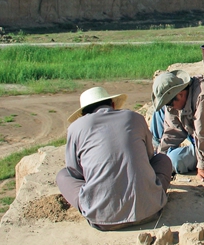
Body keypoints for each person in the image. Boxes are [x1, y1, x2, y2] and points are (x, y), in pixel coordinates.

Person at [56, 87, 171, 231]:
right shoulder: (134, 117)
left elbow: (75, 171)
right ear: (113, 105)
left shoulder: (76, 127)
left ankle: (95, 203)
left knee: (63, 175)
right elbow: (149, 157)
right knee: (163, 160)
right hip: (151, 211)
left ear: (84, 114)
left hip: (101, 219)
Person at [152, 69, 204, 183]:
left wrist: (202, 167)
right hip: (195, 135)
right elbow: (173, 131)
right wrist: (159, 158)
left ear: (181, 94)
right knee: (158, 112)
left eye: (170, 104)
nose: (170, 107)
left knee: (174, 160)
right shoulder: (177, 100)